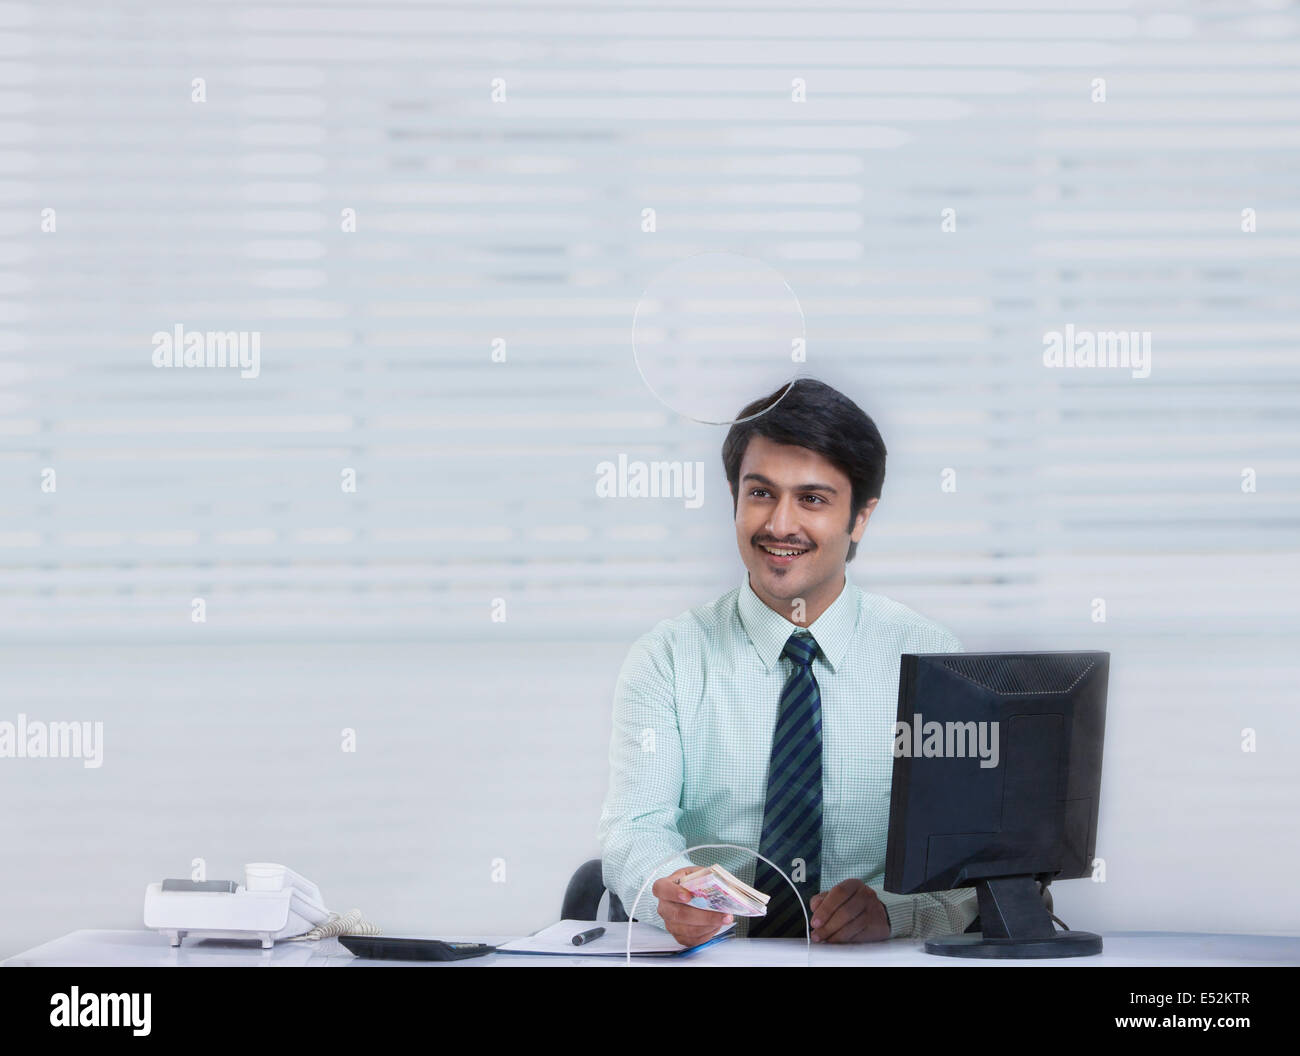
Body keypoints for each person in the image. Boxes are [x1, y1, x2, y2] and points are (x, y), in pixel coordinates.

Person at [597, 378, 978, 944]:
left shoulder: (935, 663)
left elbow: (971, 864)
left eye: (813, 499)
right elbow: (636, 829)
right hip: (718, 957)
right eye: (760, 493)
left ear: (861, 518)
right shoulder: (668, 659)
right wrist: (670, 889)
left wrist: (894, 914)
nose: (779, 525)